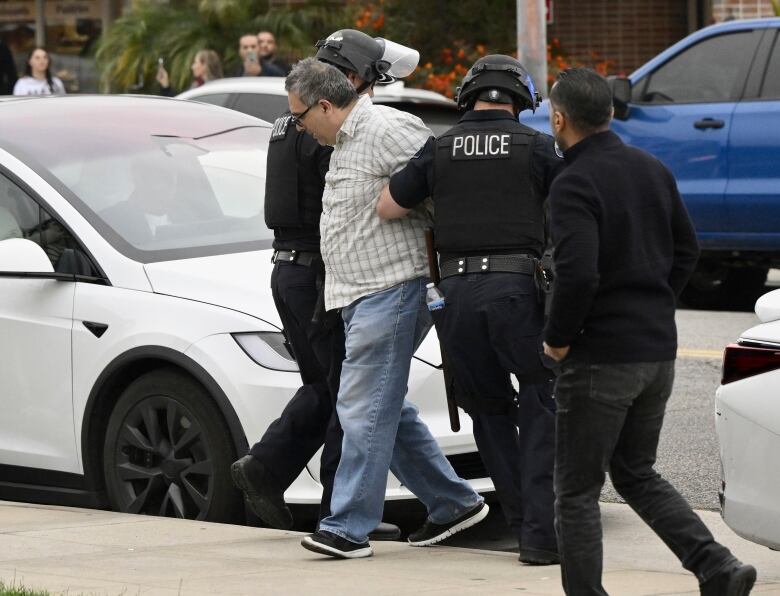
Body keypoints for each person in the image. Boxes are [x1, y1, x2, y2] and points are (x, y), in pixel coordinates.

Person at [541, 68, 756, 596]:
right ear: (611, 114)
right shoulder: (652, 168)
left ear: (560, 119)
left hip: (599, 356)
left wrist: (559, 337)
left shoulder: (572, 183)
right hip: (656, 350)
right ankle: (719, 568)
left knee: (575, 492)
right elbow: (687, 250)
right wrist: (656, 302)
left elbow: (578, 273)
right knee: (636, 472)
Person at [286, 56, 487, 560]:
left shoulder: (387, 127)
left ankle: (348, 527)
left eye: (300, 117)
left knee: (360, 406)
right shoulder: (345, 142)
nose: (300, 129)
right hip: (358, 294)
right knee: (384, 410)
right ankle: (453, 504)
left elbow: (450, 187)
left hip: (394, 288)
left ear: (325, 105)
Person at [376, 54, 562, 566]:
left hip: (455, 297)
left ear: (467, 97)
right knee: (542, 403)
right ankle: (544, 537)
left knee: (490, 412)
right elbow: (575, 204)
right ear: (521, 101)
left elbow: (388, 206)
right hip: (519, 292)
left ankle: (523, 525)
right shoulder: (538, 147)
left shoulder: (439, 149)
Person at [230, 30, 408, 542]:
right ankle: (338, 510)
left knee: (327, 387)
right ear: (345, 81)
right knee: (344, 393)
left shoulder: (289, 122)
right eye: (365, 81)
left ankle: (267, 469)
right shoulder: (324, 127)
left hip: (288, 270)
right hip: (316, 274)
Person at [156, 49, 223, 97]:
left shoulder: (212, 91)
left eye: (195, 62)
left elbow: (181, 106)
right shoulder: (198, 85)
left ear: (205, 66)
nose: (192, 67)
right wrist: (165, 84)